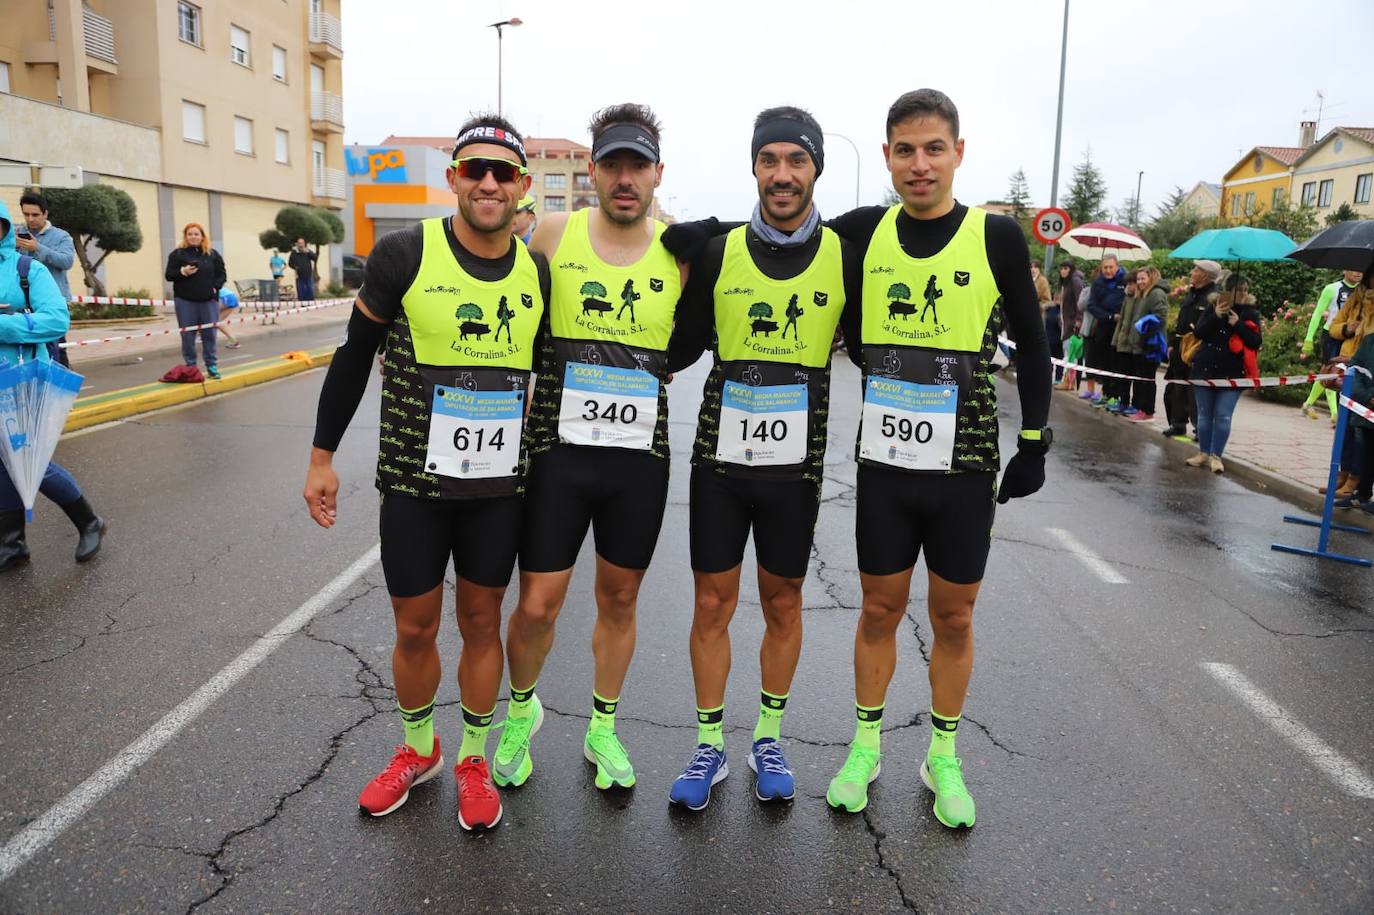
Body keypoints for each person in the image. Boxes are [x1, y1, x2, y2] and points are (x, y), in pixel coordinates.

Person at [303, 114, 548, 831]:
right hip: (414, 485)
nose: (490, 183)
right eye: (476, 170)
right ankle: (419, 748)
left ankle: (473, 756)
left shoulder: (534, 273)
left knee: (480, 624)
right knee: (414, 627)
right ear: (453, 180)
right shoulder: (405, 254)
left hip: (497, 491)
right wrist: (321, 458)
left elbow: (548, 377)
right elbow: (353, 357)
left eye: (504, 173)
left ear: (522, 186)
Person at [818, 90, 1051, 827]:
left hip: (967, 464)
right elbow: (778, 245)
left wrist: (1037, 440)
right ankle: (864, 745)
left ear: (958, 151)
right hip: (885, 465)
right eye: (905, 150)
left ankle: (942, 754)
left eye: (933, 148)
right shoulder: (859, 231)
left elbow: (1036, 341)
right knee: (880, 608)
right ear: (887, 155)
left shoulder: (996, 237)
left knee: (953, 614)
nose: (920, 164)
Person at [661, 106, 861, 810]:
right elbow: (680, 347)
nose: (782, 174)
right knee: (712, 602)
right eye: (769, 159)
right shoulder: (718, 252)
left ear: (816, 169)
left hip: (796, 467)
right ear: (754, 165)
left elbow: (874, 344)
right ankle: (709, 742)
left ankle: (767, 735)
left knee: (783, 600)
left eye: (796, 160)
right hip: (720, 458)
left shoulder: (846, 251)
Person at [494, 104, 685, 795]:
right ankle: (522, 711)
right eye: (613, 164)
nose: (625, 178)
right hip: (559, 450)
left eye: (639, 165)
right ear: (591, 170)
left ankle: (603, 726)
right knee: (539, 602)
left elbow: (689, 344)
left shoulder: (678, 251)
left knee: (620, 596)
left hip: (639, 457)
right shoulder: (551, 232)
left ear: (658, 172)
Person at [0, 200, 106, 571]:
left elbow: (57, 321)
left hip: (24, 378)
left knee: (31, 460)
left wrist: (4, 324)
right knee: (1, 463)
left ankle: (89, 521)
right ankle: (12, 544)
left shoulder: (28, 269)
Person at [1185, 273, 1262, 474]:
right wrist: (1215, 316)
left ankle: (1216, 455)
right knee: (1204, 414)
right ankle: (1203, 453)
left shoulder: (1250, 313)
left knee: (1223, 415)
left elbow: (1255, 342)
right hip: (1206, 368)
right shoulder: (1213, 307)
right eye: (1238, 290)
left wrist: (1238, 324)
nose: (1243, 294)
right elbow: (1199, 333)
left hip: (1233, 373)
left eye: (1246, 290)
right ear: (1227, 290)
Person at [17, 190, 76, 368]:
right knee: (28, 347)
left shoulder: (61, 236)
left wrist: (37, 248)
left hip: (52, 301)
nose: (30, 219)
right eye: (26, 214)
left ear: (45, 214)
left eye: (35, 215)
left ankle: (62, 390)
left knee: (56, 347)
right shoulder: (15, 233)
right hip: (24, 301)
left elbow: (67, 261)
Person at [1162, 259, 1220, 440]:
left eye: (1195, 270)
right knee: (1177, 387)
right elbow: (1181, 321)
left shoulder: (1214, 297)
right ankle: (1177, 424)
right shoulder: (1191, 294)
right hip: (1180, 348)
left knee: (1195, 391)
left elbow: (1213, 326)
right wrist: (1172, 343)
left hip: (1198, 349)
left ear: (1205, 275)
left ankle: (1200, 428)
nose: (1192, 273)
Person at [164, 223, 227, 379]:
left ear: (202, 236)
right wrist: (182, 271)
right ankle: (191, 366)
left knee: (209, 334)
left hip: (208, 301)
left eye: (196, 234)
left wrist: (215, 287)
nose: (193, 237)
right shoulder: (177, 254)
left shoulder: (212, 254)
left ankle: (211, 365)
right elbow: (169, 275)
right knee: (188, 335)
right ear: (185, 236)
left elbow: (222, 274)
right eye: (190, 234)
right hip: (185, 301)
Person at [1301, 271, 1362, 424]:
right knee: (1332, 370)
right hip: (1331, 335)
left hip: (1351, 337)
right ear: (1344, 270)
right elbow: (1317, 313)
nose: (1357, 273)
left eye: (1360, 269)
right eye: (1353, 269)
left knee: (1335, 371)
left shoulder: (1363, 291)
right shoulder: (1331, 288)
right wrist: (1309, 338)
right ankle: (1335, 414)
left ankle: (1308, 404)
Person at [1119, 265, 1168, 422]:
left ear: (1151, 278)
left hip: (1149, 345)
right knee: (1140, 378)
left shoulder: (1156, 294)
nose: (1140, 282)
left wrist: (1146, 335)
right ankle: (1140, 408)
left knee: (1147, 379)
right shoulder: (1142, 294)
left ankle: (1147, 411)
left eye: (1143, 278)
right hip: (1139, 344)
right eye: (1138, 279)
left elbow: (1160, 317)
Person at [1334, 331, 1374, 513]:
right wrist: (1368, 395)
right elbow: (1355, 369)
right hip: (1366, 406)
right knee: (1367, 450)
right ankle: (1361, 494)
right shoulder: (1370, 341)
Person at [1081, 253, 1127, 406]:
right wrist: (1108, 316)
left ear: (1117, 266)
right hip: (1103, 325)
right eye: (1105, 267)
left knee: (1117, 362)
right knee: (1104, 362)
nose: (1108, 270)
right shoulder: (1098, 283)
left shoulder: (1125, 281)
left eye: (1110, 267)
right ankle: (1106, 393)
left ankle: (1116, 395)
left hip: (1120, 328)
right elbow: (1091, 305)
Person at [1107, 268, 1142, 415]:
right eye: (1128, 283)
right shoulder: (1127, 297)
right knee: (1122, 375)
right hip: (1122, 341)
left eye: (1132, 283)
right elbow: (1121, 320)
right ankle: (1123, 401)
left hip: (1134, 344)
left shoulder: (1141, 298)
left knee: (1134, 376)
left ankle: (1135, 404)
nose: (1130, 286)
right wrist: (1116, 340)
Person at [1052, 260, 1082, 387]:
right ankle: (1068, 381)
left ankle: (1068, 382)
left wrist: (1078, 320)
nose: (1063, 271)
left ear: (1071, 269)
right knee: (1067, 353)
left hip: (1072, 324)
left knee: (1071, 354)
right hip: (1064, 323)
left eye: (1066, 268)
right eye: (1062, 268)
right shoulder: (1065, 283)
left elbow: (1079, 302)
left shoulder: (1075, 282)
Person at [1033, 261, 1062, 380]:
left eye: (1035, 267)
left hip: (1041, 317)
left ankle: (1054, 376)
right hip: (1032, 318)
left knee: (1054, 351)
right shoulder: (1029, 279)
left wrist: (1037, 306)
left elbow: (1046, 300)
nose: (1033, 269)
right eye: (1031, 267)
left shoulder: (1042, 281)